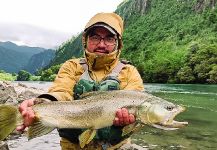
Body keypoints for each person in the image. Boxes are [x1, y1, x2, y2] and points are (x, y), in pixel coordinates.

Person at [16, 12, 144, 150]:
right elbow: (61, 91)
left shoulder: (129, 72)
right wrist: (44, 102)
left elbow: (135, 96)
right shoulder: (71, 66)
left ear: (117, 43)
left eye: (109, 38)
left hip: (116, 147)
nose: (101, 44)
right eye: (95, 37)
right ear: (85, 40)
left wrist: (128, 119)